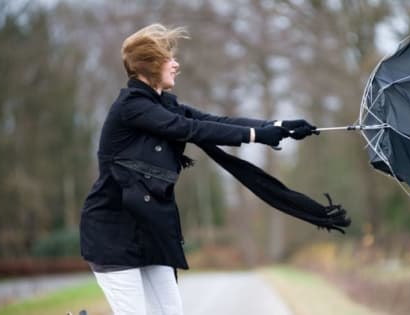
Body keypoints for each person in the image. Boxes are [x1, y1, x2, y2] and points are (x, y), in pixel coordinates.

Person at [79, 23, 318, 315]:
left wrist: (277, 127)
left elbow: (216, 121)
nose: (176, 64)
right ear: (151, 65)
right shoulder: (132, 107)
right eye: (169, 58)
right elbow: (190, 129)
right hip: (112, 233)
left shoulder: (163, 104)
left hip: (150, 230)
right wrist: (257, 137)